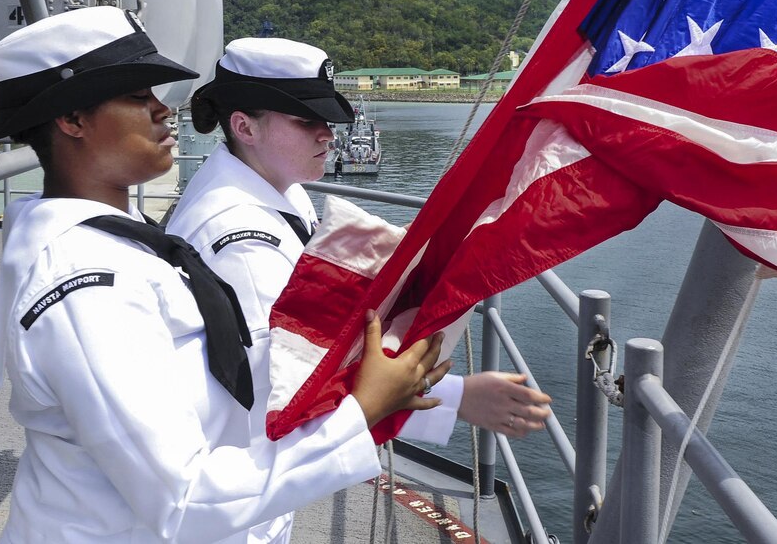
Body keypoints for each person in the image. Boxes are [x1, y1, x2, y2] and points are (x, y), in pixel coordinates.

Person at [0, 6, 450, 543]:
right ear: (72, 120)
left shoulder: (124, 240)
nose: (164, 112)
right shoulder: (88, 286)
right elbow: (181, 497)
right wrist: (361, 413)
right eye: (138, 97)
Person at [166, 37, 553, 543]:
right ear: (244, 127)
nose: (329, 134)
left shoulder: (279, 192)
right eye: (308, 122)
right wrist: (457, 398)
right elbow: (291, 386)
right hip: (239, 497)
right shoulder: (241, 244)